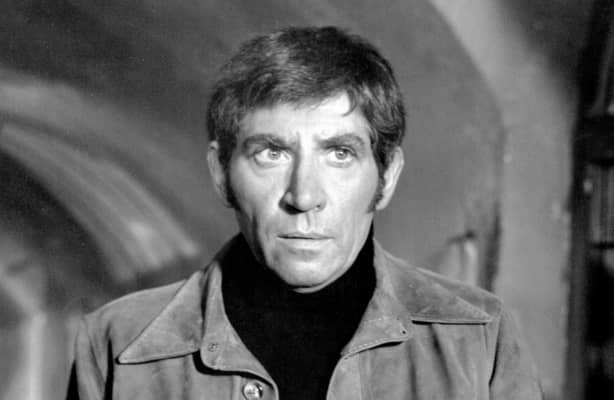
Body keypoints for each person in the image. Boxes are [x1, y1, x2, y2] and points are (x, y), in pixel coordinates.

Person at [67, 26, 542, 400]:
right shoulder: (119, 345)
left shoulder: (479, 340)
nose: (303, 195)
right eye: (271, 153)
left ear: (387, 176)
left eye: (339, 154)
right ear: (220, 173)